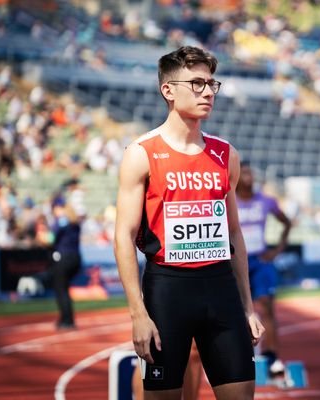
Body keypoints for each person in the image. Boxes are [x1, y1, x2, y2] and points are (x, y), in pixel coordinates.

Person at [114, 46, 264, 400]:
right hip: (168, 290)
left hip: (221, 288)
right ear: (168, 90)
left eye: (212, 84)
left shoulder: (226, 155)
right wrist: (138, 313)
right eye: (197, 84)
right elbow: (123, 236)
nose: (209, 92)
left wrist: (247, 306)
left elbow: (234, 234)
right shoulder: (141, 153)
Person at [236, 162, 292, 375]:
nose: (249, 176)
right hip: (235, 262)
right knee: (235, 311)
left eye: (252, 172)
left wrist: (277, 249)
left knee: (267, 306)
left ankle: (272, 356)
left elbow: (286, 222)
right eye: (245, 172)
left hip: (260, 261)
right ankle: (236, 356)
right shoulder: (227, 199)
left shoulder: (266, 201)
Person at [50, 200, 82, 329]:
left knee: (61, 290)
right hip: (75, 258)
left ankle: (66, 320)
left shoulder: (62, 221)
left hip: (63, 258)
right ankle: (67, 318)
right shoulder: (75, 222)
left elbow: (51, 238)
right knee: (65, 289)